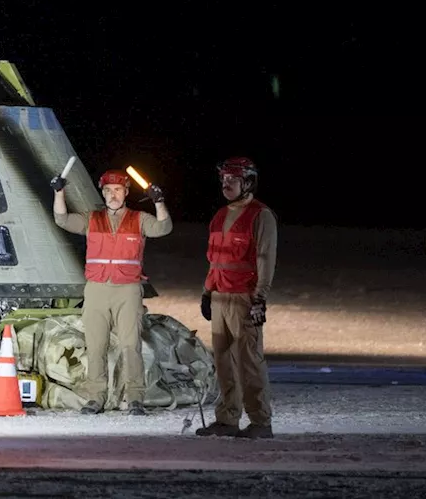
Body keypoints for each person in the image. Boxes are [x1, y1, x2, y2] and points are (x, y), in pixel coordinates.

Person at [51, 167, 172, 415]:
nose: (112, 195)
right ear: (103, 193)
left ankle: (135, 398)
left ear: (126, 192)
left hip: (127, 290)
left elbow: (163, 228)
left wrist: (159, 202)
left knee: (130, 345)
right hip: (96, 289)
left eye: (117, 190)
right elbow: (62, 219)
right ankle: (96, 398)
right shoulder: (91, 218)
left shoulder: (139, 219)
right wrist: (59, 192)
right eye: (108, 190)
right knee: (95, 346)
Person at [195, 156, 277, 440]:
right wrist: (207, 292)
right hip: (220, 297)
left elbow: (265, 258)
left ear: (248, 182)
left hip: (244, 298)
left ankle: (260, 421)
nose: (226, 184)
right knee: (224, 361)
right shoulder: (219, 215)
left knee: (249, 361)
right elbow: (214, 260)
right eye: (224, 180)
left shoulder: (260, 215)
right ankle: (227, 418)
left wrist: (260, 298)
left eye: (233, 179)